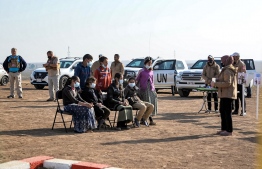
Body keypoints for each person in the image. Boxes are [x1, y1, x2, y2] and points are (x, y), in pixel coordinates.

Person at [211, 55, 237, 136]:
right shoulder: (226, 69)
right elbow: (224, 80)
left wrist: (215, 84)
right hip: (224, 94)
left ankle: (229, 130)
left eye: (222, 61)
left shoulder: (228, 70)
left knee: (227, 113)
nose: (221, 62)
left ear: (226, 61)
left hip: (228, 94)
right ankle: (224, 129)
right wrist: (217, 80)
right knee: (222, 112)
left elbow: (227, 83)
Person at [136, 56, 157, 125]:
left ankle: (148, 118)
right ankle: (147, 119)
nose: (149, 64)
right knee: (147, 103)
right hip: (144, 90)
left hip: (151, 89)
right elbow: (137, 80)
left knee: (152, 104)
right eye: (148, 63)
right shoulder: (141, 71)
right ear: (145, 63)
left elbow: (152, 81)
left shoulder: (151, 71)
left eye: (150, 63)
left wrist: (154, 90)